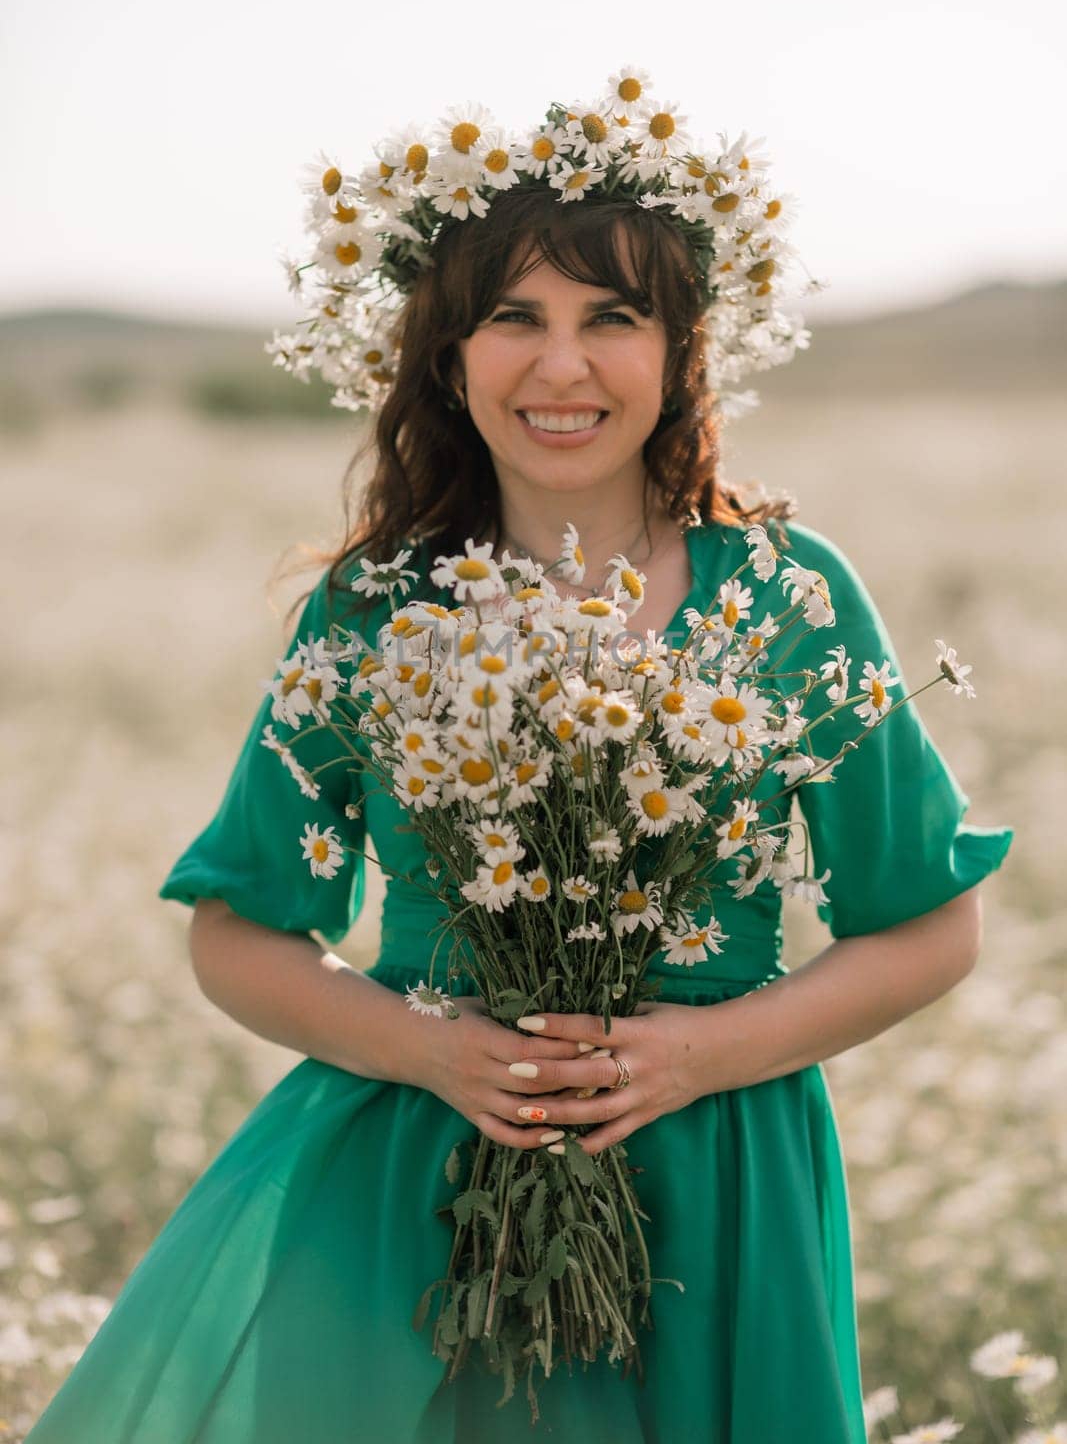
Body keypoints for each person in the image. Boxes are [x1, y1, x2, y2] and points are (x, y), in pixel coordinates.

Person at [25, 90, 1015, 1444]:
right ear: (448, 355)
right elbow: (240, 933)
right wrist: (435, 1055)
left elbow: (930, 925)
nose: (564, 369)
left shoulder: (789, 598)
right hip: (404, 1192)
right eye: (516, 319)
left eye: (613, 318)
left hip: (719, 1186)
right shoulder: (376, 611)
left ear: (682, 352)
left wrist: (700, 1057)